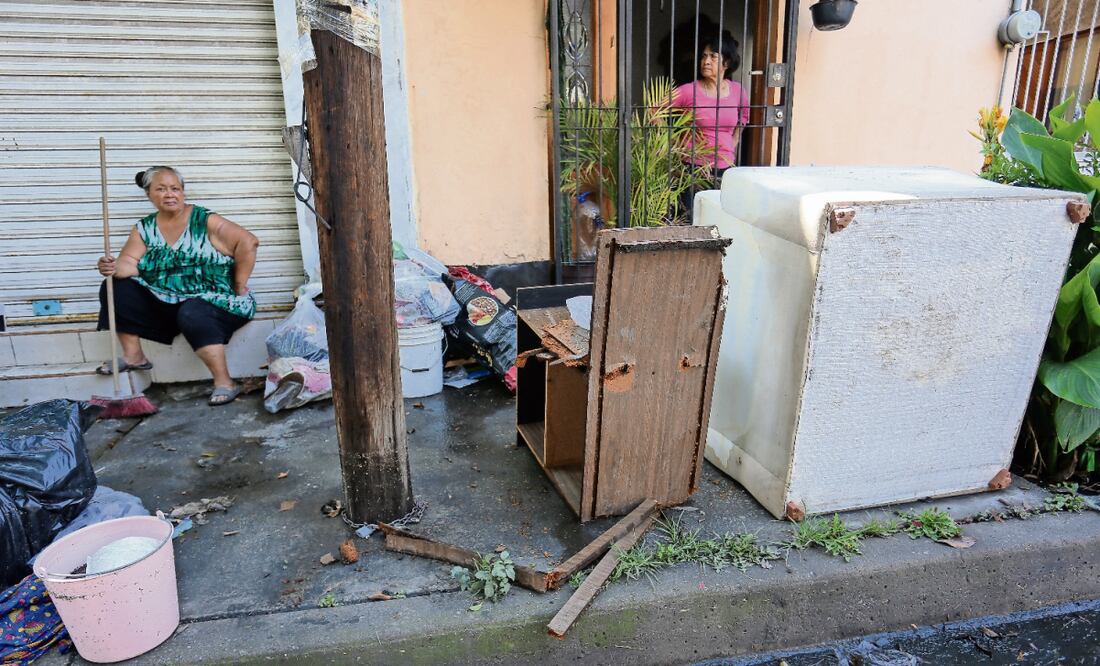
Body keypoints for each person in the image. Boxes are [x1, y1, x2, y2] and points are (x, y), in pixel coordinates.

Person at [95, 166, 260, 406]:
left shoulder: (204, 220)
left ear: (183, 192)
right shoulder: (145, 228)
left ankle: (225, 382)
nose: (169, 194)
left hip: (218, 299)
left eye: (175, 189)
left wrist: (238, 283)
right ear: (149, 194)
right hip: (169, 299)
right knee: (114, 285)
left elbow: (248, 242)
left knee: (193, 311)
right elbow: (129, 264)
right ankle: (134, 357)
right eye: (161, 189)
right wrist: (110, 267)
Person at [671, 29, 750, 180]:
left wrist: (735, 139)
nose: (706, 61)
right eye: (703, 56)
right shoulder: (688, 91)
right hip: (693, 168)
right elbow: (654, 110)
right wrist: (676, 142)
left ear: (726, 62)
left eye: (713, 57)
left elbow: (745, 115)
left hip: (725, 166)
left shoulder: (737, 91)